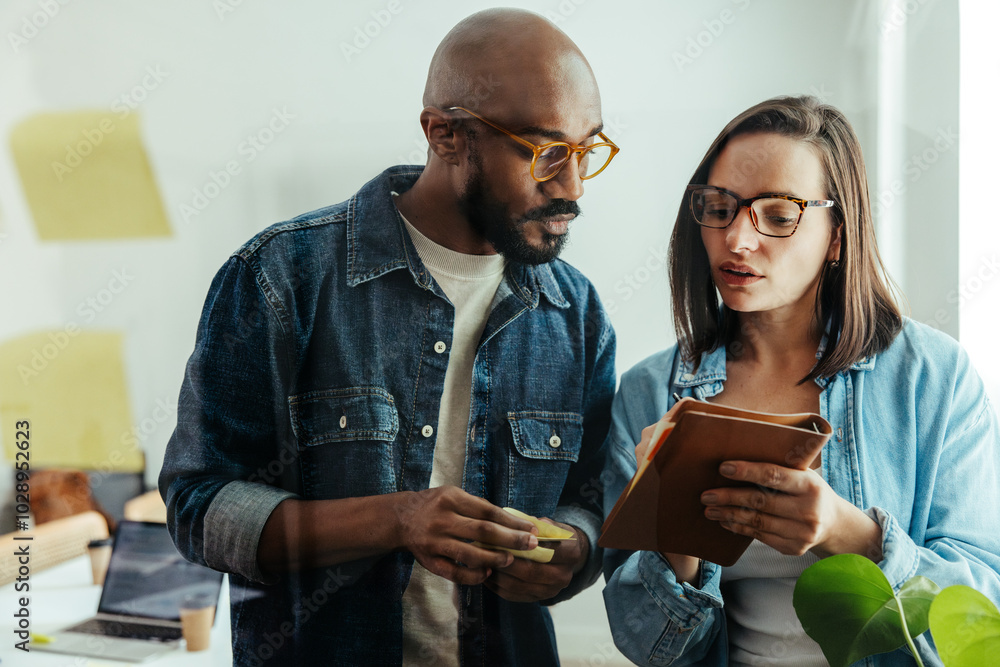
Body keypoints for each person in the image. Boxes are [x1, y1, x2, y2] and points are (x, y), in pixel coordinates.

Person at [159, 9, 618, 666]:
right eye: (545, 152)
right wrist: (396, 518)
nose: (572, 187)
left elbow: (595, 502)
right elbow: (198, 506)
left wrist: (574, 551)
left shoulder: (579, 314)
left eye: (586, 149)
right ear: (445, 134)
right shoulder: (277, 279)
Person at [601, 96, 1000, 666]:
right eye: (719, 207)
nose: (738, 240)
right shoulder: (647, 393)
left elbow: (983, 609)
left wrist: (850, 534)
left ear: (837, 236)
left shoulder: (933, 378)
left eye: (780, 216)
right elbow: (646, 645)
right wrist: (676, 534)